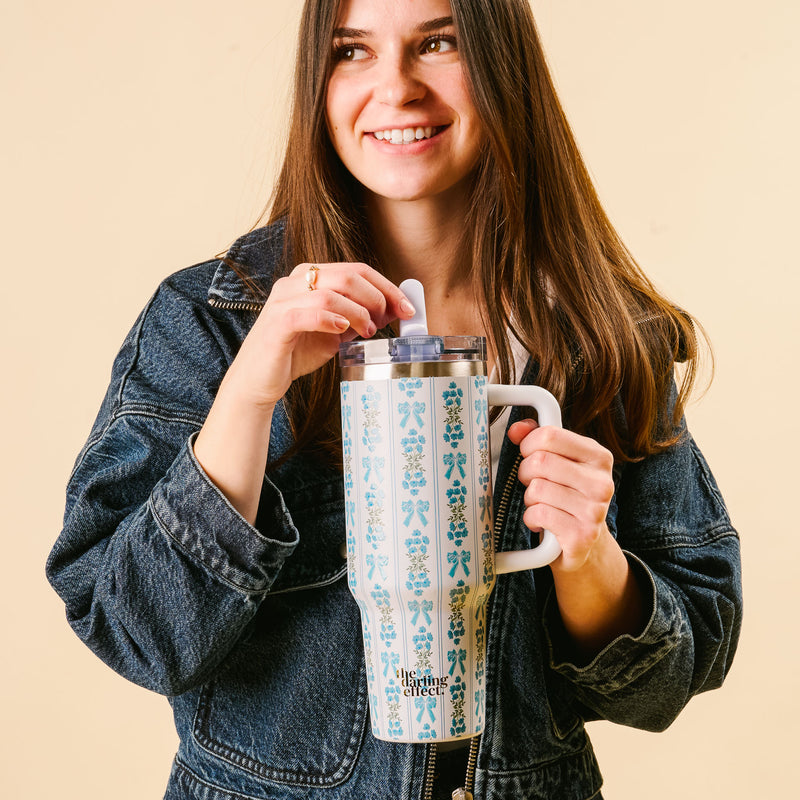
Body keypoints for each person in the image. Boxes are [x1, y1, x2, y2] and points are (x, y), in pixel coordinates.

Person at [46, 0, 742, 798]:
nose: (396, 87)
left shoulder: (596, 332)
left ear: (500, 61)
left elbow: (677, 675)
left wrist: (587, 557)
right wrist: (250, 392)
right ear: (320, 80)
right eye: (352, 51)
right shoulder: (214, 322)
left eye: (437, 43)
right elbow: (139, 637)